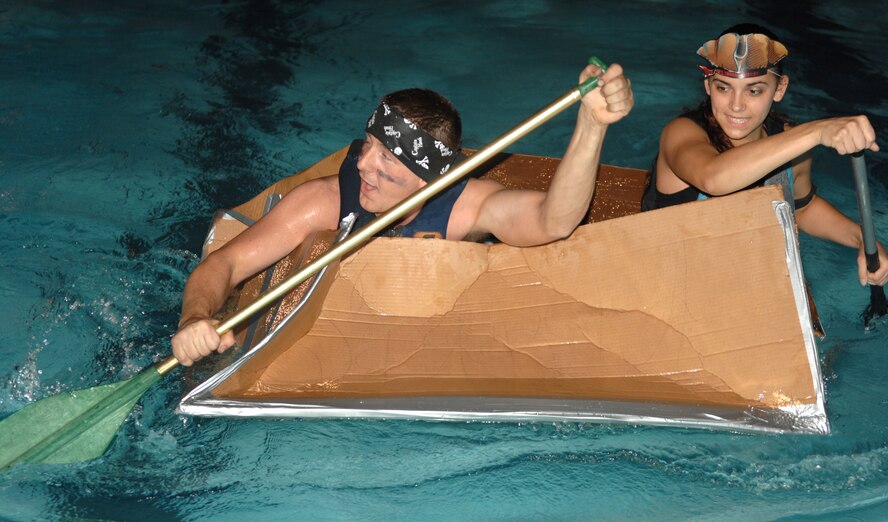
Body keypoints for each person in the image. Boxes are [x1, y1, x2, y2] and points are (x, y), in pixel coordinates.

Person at [172, 61, 634, 366]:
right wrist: (194, 319)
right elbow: (225, 264)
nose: (362, 165)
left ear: (426, 181)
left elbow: (554, 221)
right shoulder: (325, 201)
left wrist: (591, 127)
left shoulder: (466, 207)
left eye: (387, 159)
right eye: (368, 144)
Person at [641, 23, 887, 288]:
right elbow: (712, 178)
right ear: (708, 86)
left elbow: (802, 208)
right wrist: (817, 130)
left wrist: (863, 239)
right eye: (723, 88)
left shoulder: (790, 143)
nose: (736, 105)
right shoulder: (681, 133)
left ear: (779, 89)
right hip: (669, 283)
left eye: (754, 90)